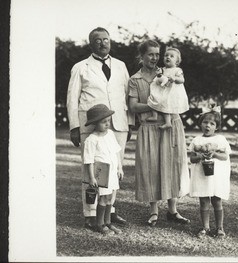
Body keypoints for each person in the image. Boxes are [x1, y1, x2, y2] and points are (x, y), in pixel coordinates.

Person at [67, 27, 134, 229]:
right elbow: (72, 98)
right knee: (92, 171)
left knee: (113, 170)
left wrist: (129, 123)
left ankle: (109, 211)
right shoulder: (81, 67)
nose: (103, 43)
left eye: (106, 39)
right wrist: (74, 127)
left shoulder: (121, 66)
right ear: (91, 43)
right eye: (98, 40)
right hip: (91, 125)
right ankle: (90, 214)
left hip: (117, 124)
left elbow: (126, 95)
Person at [128, 40, 190, 227]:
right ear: (142, 56)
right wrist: (155, 105)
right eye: (150, 54)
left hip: (171, 125)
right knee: (151, 167)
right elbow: (133, 106)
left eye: (157, 54)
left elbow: (179, 93)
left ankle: (173, 210)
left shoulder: (167, 72)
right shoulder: (135, 79)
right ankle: (153, 211)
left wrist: (166, 106)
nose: (155, 58)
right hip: (149, 127)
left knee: (173, 165)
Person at [188, 105, 231, 238]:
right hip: (202, 175)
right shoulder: (197, 140)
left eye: (212, 123)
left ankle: (219, 228)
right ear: (200, 123)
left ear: (216, 127)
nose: (208, 126)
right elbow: (192, 158)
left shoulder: (220, 140)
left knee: (217, 200)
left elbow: (225, 156)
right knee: (204, 200)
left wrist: (215, 155)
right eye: (205, 122)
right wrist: (200, 156)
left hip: (216, 175)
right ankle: (205, 227)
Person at [83, 104, 123, 235]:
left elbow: (117, 151)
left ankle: (108, 222)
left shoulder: (110, 134)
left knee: (110, 197)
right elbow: (88, 160)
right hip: (102, 172)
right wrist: (92, 178)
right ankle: (100, 224)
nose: (107, 124)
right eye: (103, 122)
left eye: (108, 121)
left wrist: (120, 168)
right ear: (95, 123)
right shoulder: (92, 139)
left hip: (112, 172)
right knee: (103, 198)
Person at [147, 47, 189, 129]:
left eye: (171, 56)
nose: (168, 57)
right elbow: (160, 78)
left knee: (166, 104)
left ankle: (168, 122)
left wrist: (175, 78)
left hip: (171, 92)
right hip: (162, 89)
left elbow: (182, 80)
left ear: (177, 61)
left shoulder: (177, 70)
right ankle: (154, 115)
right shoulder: (162, 69)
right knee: (153, 97)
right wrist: (159, 74)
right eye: (166, 55)